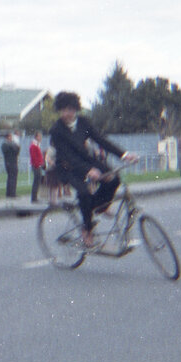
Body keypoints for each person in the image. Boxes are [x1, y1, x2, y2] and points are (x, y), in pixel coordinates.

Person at [49, 91, 138, 248]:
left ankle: (100, 206)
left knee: (113, 177)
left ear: (76, 109)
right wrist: (87, 171)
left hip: (86, 160)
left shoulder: (83, 122)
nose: (67, 113)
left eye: (70, 109)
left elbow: (101, 140)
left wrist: (124, 155)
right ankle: (87, 230)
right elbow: (67, 156)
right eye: (63, 110)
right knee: (84, 193)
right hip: (67, 167)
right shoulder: (57, 130)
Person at [1, 131, 20, 198]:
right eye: (10, 137)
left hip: (13, 162)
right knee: (12, 178)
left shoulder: (10, 144)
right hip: (10, 163)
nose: (11, 138)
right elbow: (14, 150)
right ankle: (12, 193)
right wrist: (15, 146)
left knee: (11, 178)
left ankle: (9, 193)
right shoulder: (5, 144)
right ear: (8, 137)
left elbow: (17, 151)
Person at [29, 131, 45, 203]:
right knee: (36, 181)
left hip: (38, 165)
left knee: (38, 181)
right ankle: (34, 198)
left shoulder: (37, 145)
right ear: (36, 137)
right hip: (36, 166)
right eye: (39, 136)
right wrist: (38, 164)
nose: (41, 138)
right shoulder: (33, 145)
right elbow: (34, 156)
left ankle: (35, 197)